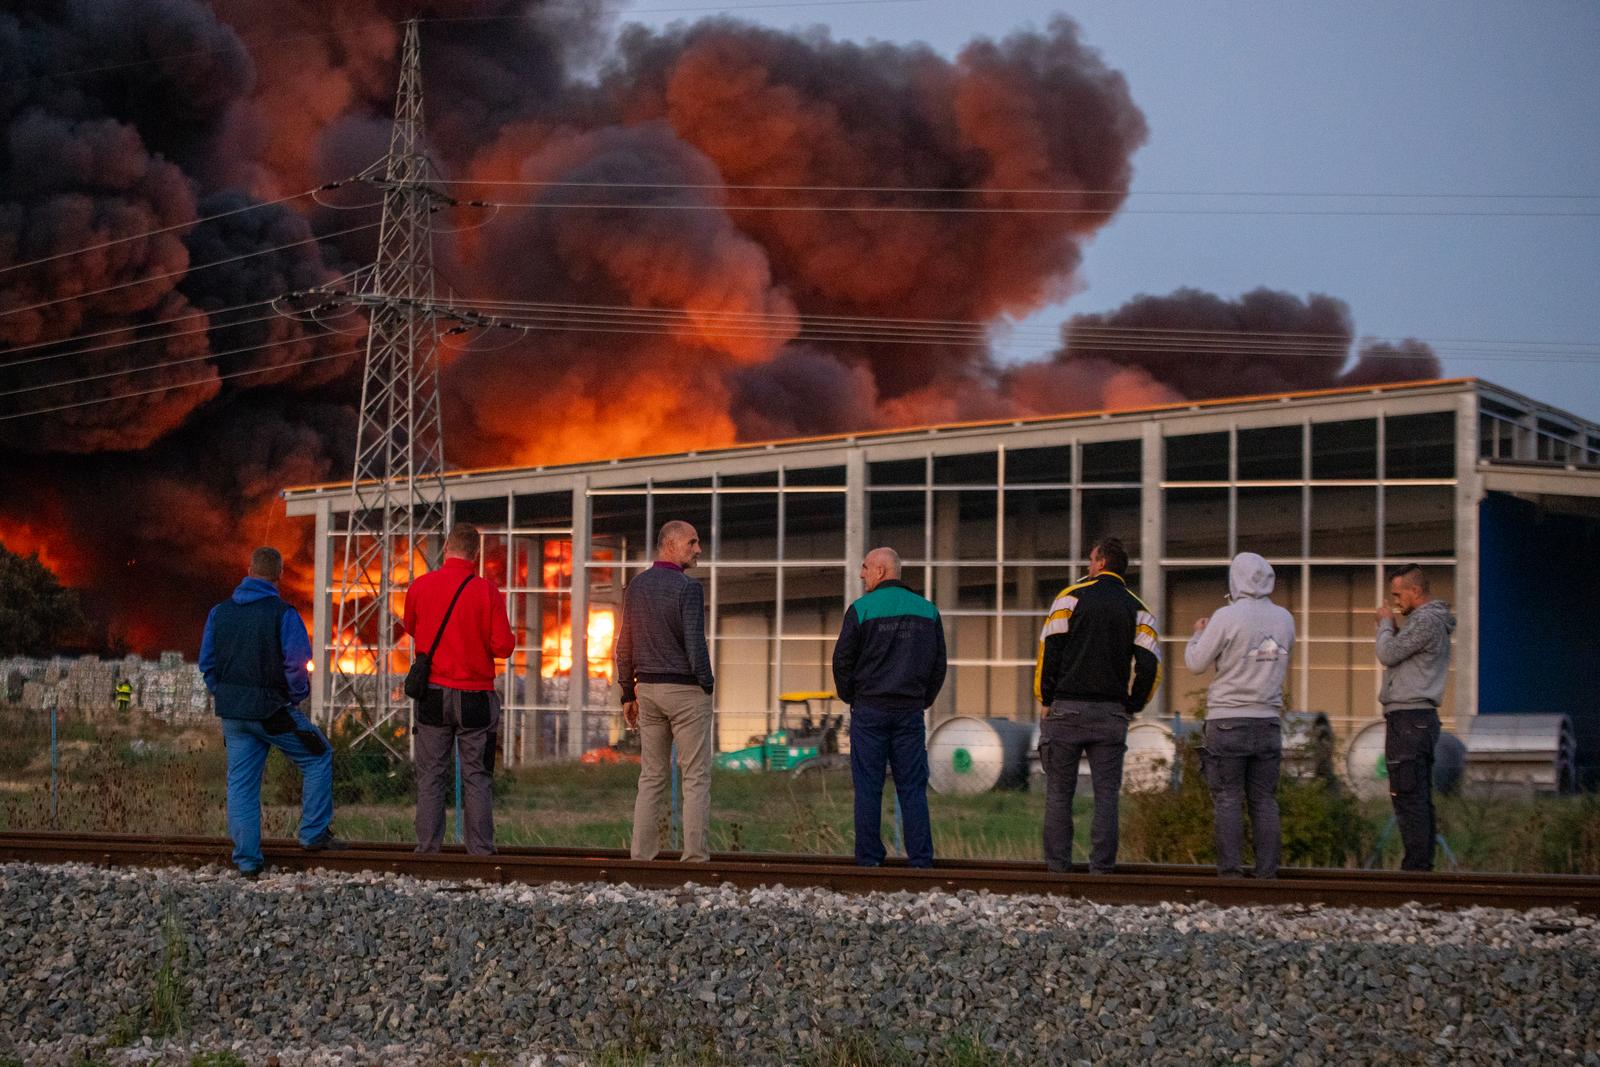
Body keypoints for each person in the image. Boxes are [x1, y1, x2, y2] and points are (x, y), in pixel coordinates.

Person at [199, 547, 344, 878]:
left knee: (241, 784)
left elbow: (207, 663)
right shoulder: (283, 614)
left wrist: (224, 693)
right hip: (271, 711)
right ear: (279, 575)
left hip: (233, 715)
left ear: (248, 569)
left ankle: (247, 862)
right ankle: (312, 834)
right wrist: (294, 697)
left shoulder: (219, 613)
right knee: (319, 756)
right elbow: (296, 664)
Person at [1033, 536, 1161, 873]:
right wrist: (1133, 702)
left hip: (1066, 709)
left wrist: (1045, 698)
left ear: (1101, 563)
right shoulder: (1139, 609)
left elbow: (1050, 652)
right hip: (1111, 713)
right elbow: (1150, 665)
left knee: (1060, 793)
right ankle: (1101, 870)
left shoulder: (1069, 598)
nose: (1088, 566)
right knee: (1107, 795)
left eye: (1091, 560)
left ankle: (1058, 869)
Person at [402, 522, 514, 856]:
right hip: (476, 697)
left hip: (433, 695)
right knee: (476, 776)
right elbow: (504, 647)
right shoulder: (487, 591)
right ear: (476, 554)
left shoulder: (420, 586)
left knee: (431, 777)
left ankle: (428, 850)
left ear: (447, 547)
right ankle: (480, 851)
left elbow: (411, 626)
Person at [832, 547, 947, 868]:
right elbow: (939, 664)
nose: (861, 574)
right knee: (912, 788)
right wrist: (923, 699)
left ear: (881, 571)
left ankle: (869, 861)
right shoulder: (928, 611)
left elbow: (842, 660)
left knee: (868, 787)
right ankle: (921, 861)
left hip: (869, 711)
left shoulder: (861, 609)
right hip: (909, 712)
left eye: (865, 567)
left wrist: (851, 696)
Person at [1184, 552, 1296, 879]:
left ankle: (1231, 875)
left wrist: (1197, 634)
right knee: (1264, 800)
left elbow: (1196, 663)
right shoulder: (1285, 619)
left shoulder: (1226, 616)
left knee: (1228, 799)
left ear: (1236, 579)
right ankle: (1267, 874)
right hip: (1269, 719)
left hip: (1227, 720)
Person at [616, 520, 715, 863]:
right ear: (671, 544)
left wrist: (628, 692)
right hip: (685, 692)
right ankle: (694, 859)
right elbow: (694, 644)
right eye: (693, 542)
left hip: (650, 693)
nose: (698, 549)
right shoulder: (688, 588)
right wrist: (708, 684)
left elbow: (624, 644)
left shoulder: (636, 587)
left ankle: (641, 857)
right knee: (695, 777)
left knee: (652, 777)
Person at [1376, 563, 1455, 872]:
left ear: (1415, 591)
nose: (1395, 601)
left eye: (1398, 594)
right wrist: (1395, 631)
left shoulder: (1425, 622)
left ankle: (1416, 868)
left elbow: (1387, 654)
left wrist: (1384, 625)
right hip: (1416, 719)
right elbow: (1404, 656)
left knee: (1408, 795)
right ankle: (1420, 866)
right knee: (1416, 793)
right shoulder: (1427, 623)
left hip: (1410, 719)